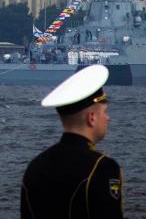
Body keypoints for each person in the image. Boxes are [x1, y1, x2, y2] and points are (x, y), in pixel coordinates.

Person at [20, 65, 123, 218]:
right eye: (104, 112)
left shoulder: (35, 167)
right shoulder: (102, 167)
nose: (108, 118)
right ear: (92, 118)